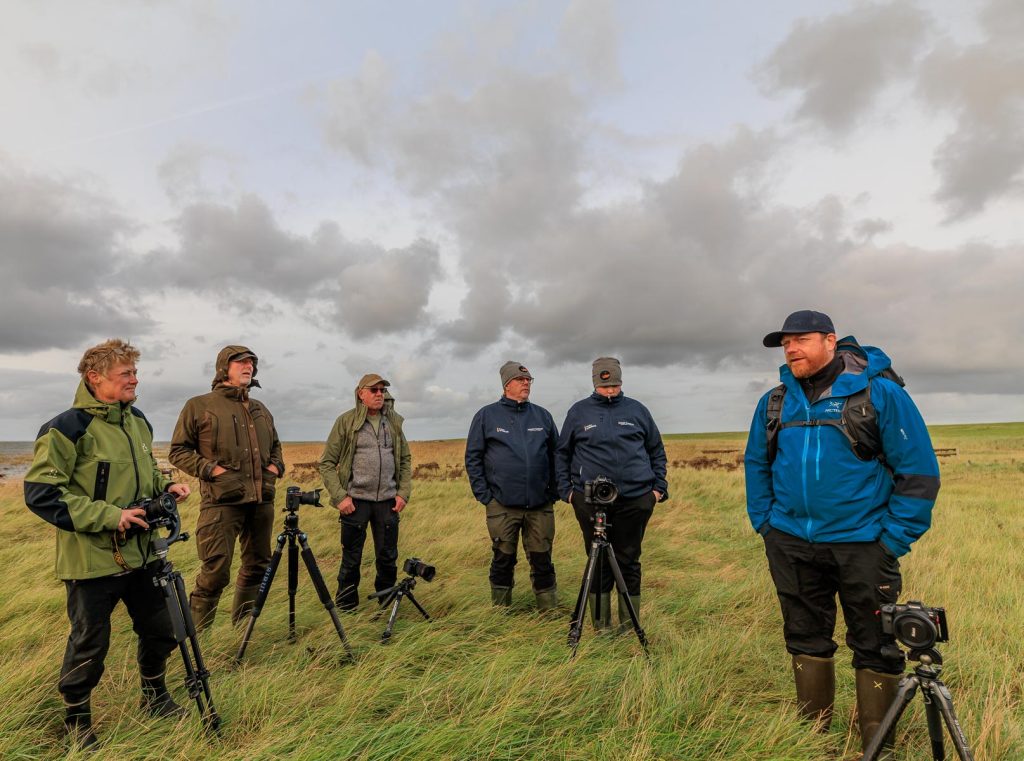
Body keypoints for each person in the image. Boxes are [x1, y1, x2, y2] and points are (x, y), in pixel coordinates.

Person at [744, 310, 940, 752]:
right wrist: (766, 524)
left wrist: (892, 538)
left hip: (864, 545)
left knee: (875, 644)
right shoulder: (775, 402)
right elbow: (757, 464)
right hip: (791, 543)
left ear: (831, 341)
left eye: (801, 340)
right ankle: (812, 738)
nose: (791, 348)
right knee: (804, 635)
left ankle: (878, 743)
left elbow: (919, 473)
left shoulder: (880, 394)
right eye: (785, 343)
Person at [23, 339, 192, 748]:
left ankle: (155, 696)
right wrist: (110, 516)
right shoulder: (66, 428)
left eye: (135, 372)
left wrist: (167, 485)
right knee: (89, 643)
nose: (135, 378)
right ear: (94, 377)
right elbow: (42, 493)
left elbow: (144, 471)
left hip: (144, 553)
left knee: (164, 628)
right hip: (92, 560)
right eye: (126, 373)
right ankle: (77, 723)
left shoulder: (137, 421)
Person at [169, 345, 284, 630]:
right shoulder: (199, 405)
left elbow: (276, 447)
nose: (248, 366)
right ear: (224, 367)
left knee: (258, 565)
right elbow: (179, 451)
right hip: (221, 503)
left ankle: (242, 631)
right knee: (215, 571)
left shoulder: (260, 409)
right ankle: (198, 641)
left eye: (251, 363)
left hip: (261, 501)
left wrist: (273, 470)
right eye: (241, 362)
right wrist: (214, 471)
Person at [555, 357, 668, 631]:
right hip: (590, 500)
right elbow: (562, 453)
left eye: (615, 385)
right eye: (605, 386)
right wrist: (568, 493)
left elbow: (656, 450)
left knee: (629, 560)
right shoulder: (578, 412)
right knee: (598, 560)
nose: (610, 390)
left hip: (636, 499)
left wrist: (657, 490)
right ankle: (601, 625)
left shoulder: (638, 410)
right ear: (596, 383)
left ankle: (629, 624)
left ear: (621, 381)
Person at [465, 361, 560, 610]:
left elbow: (557, 455)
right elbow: (473, 457)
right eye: (521, 380)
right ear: (507, 385)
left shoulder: (542, 416)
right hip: (502, 505)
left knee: (542, 559)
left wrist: (554, 491)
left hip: (540, 505)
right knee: (503, 559)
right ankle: (500, 610)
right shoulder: (486, 416)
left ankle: (547, 611)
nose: (526, 384)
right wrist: (485, 496)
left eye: (528, 380)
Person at [319, 373, 412, 610]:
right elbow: (327, 463)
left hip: (388, 502)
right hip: (355, 503)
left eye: (382, 390)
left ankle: (387, 603)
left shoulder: (392, 422)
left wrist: (403, 493)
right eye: (374, 390)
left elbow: (404, 459)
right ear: (361, 394)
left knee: (388, 558)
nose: (380, 394)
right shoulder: (346, 422)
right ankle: (346, 607)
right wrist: (340, 497)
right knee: (351, 560)